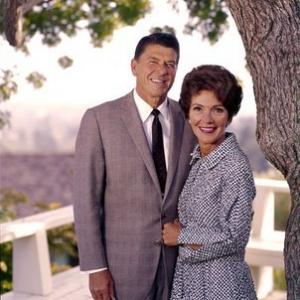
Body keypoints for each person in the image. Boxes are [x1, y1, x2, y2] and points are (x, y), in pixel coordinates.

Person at [73, 32, 195, 300]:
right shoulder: (99, 119)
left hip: (180, 266)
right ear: (134, 66)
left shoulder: (189, 119)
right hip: (122, 270)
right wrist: (97, 268)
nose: (162, 71)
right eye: (153, 61)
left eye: (170, 64)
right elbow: (85, 200)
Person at [162, 65, 257, 299]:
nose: (206, 119)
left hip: (222, 286)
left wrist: (181, 236)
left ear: (230, 114)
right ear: (187, 113)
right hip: (190, 283)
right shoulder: (198, 159)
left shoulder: (235, 165)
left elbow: (235, 236)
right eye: (198, 109)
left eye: (217, 109)